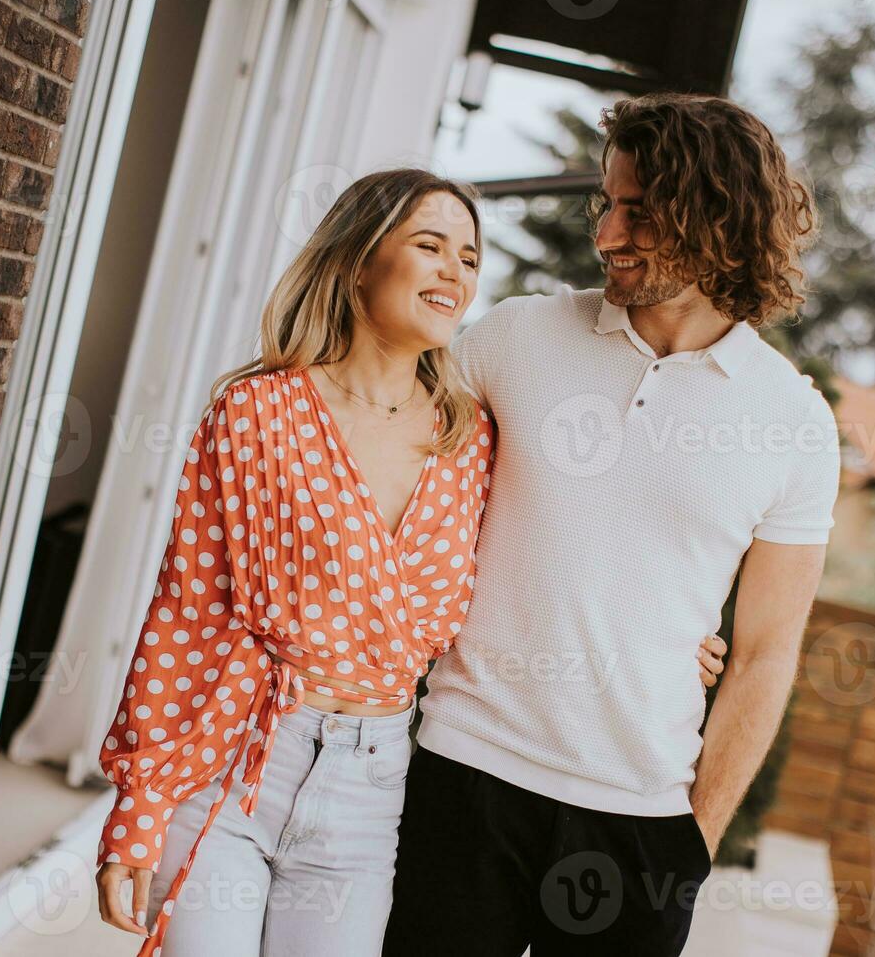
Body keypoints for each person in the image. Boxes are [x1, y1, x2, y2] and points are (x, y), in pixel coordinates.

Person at [94, 167, 729, 956]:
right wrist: (138, 809)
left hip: (374, 788)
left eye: (468, 257)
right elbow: (187, 612)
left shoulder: (470, 439)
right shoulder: (257, 412)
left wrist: (665, 641)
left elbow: (565, 551)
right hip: (239, 759)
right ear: (359, 259)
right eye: (429, 246)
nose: (455, 273)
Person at [382, 93, 842, 957]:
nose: (606, 234)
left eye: (640, 211)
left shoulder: (794, 423)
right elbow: (394, 500)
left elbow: (766, 653)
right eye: (608, 203)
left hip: (640, 828)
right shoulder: (510, 340)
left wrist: (694, 843)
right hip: (463, 776)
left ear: (717, 218)